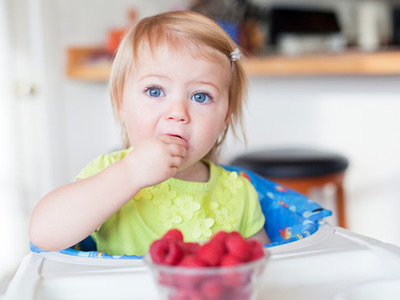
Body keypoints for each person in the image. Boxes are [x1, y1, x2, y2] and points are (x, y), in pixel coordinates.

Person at [29, 10, 269, 256]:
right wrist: (130, 174)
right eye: (155, 91)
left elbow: (266, 271)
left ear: (225, 118)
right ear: (121, 104)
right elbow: (43, 234)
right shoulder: (109, 172)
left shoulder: (240, 193)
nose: (177, 112)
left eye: (200, 96)